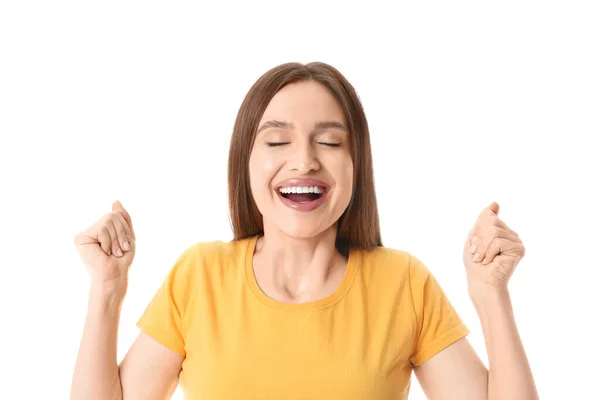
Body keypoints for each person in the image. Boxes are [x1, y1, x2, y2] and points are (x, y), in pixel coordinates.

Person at [71, 62, 539, 399]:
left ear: (358, 165)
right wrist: (107, 288)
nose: (304, 160)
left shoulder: (402, 283)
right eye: (277, 141)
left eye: (330, 141)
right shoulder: (199, 276)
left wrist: (490, 293)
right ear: (245, 163)